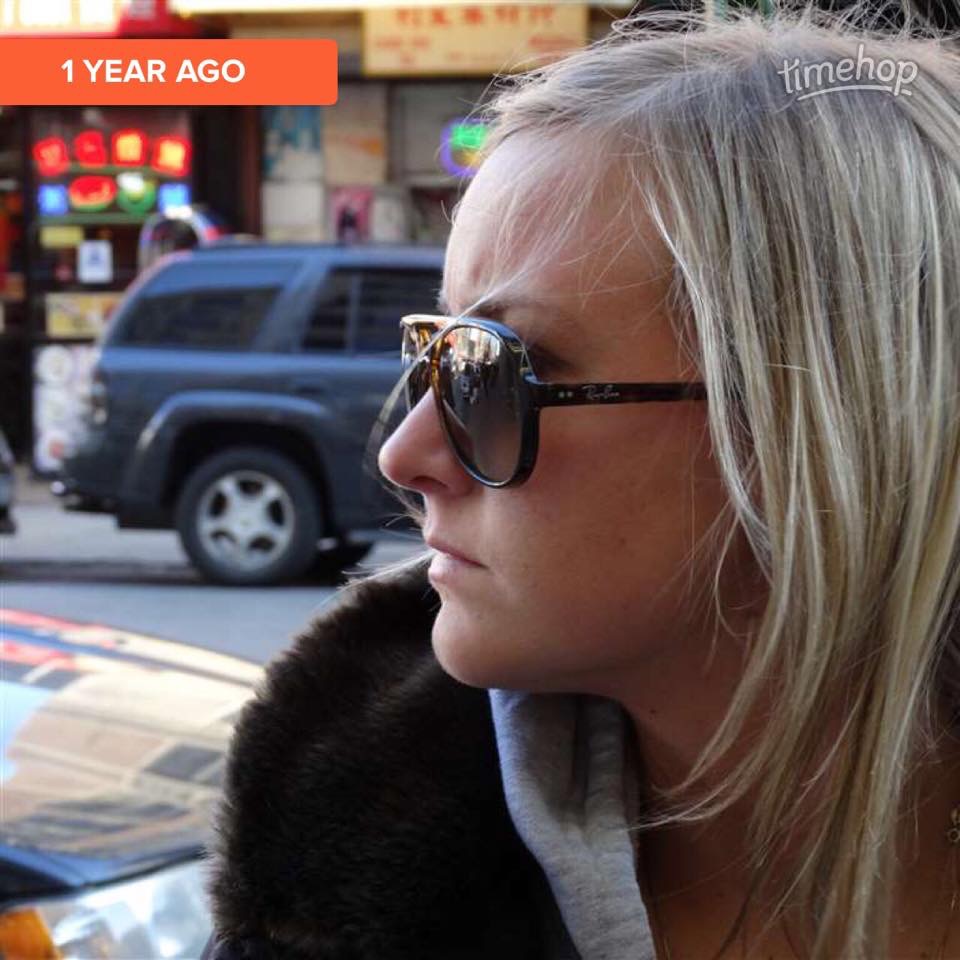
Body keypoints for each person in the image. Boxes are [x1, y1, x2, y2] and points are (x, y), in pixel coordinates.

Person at [201, 4, 960, 958]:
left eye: (496, 372)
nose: (405, 455)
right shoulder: (329, 885)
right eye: (438, 355)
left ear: (813, 429)